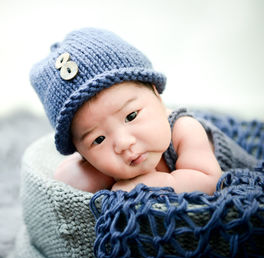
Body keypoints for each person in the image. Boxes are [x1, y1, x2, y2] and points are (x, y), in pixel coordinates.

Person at [30, 28, 258, 195]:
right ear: (81, 152)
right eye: (98, 139)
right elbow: (66, 179)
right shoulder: (109, 158)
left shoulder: (183, 129)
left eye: (131, 116)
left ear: (156, 96)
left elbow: (210, 182)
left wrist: (147, 184)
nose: (122, 143)